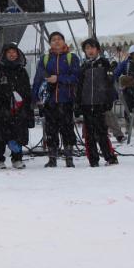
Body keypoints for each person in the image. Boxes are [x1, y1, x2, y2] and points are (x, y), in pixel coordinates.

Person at [32, 31, 80, 168]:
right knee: (51, 131)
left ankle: (69, 158)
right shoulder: (45, 59)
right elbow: (38, 79)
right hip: (50, 102)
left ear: (64, 41)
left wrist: (58, 79)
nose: (57, 41)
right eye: (53, 39)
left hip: (66, 100)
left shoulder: (72, 57)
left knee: (67, 130)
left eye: (59, 39)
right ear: (50, 43)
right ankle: (52, 158)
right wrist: (35, 97)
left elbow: (77, 77)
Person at [75, 38, 119, 167]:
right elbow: (79, 87)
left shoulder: (104, 64)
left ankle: (109, 157)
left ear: (98, 49)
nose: (90, 51)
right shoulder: (83, 67)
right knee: (89, 134)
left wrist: (109, 100)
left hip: (100, 104)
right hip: (87, 104)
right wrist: (78, 103)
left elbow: (110, 84)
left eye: (92, 48)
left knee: (102, 132)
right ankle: (93, 159)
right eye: (87, 48)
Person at [0, 43, 34, 169]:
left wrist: (26, 106)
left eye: (14, 52)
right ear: (4, 54)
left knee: (18, 133)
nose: (12, 55)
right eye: (9, 52)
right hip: (3, 108)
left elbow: (27, 90)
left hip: (19, 108)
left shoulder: (21, 70)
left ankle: (17, 158)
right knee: (1, 134)